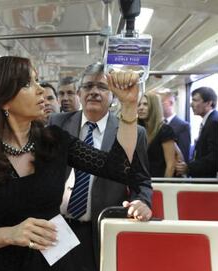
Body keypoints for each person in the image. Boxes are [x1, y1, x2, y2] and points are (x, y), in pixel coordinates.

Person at [0, 56, 151, 271]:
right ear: (3, 99)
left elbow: (119, 167)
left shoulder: (54, 141)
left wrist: (129, 105)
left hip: (55, 260)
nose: (40, 91)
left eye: (37, 81)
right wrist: (10, 234)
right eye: (28, 84)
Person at [49, 63, 152, 271]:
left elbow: (141, 181)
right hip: (57, 227)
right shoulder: (57, 124)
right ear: (79, 93)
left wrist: (142, 202)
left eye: (102, 88)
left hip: (100, 228)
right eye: (88, 86)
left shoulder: (133, 132)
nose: (94, 92)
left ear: (112, 95)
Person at [176, 87, 218, 177]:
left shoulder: (214, 123)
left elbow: (215, 157)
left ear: (209, 103)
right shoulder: (211, 120)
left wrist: (189, 167)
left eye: (195, 100)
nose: (191, 104)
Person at [138, 92, 177, 177]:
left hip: (158, 183)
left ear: (154, 107)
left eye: (145, 104)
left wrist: (165, 187)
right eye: (139, 105)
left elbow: (170, 165)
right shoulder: (138, 130)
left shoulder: (165, 130)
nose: (141, 108)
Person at [159, 91, 191, 163]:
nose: (158, 106)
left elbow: (183, 156)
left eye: (161, 102)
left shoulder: (183, 126)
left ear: (171, 103)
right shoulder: (158, 125)